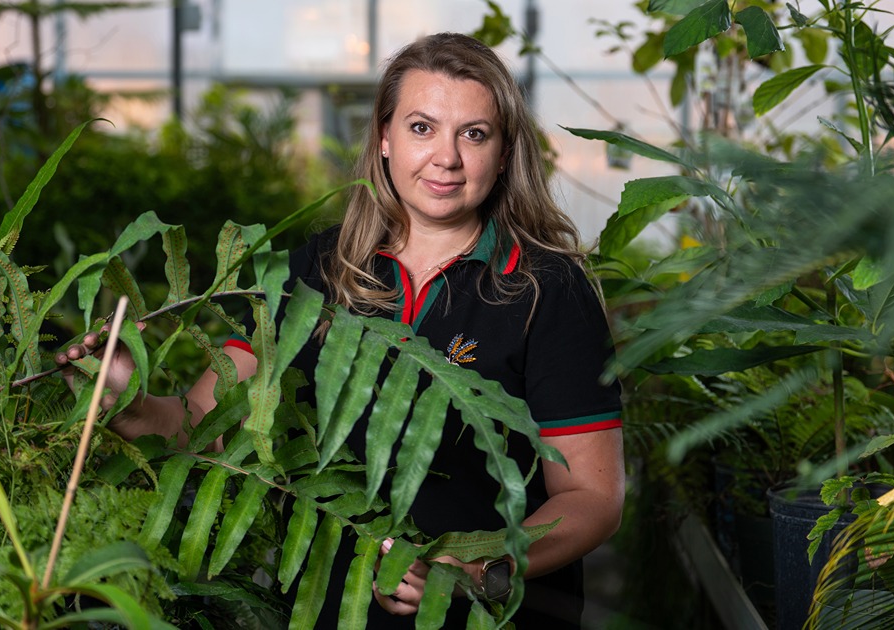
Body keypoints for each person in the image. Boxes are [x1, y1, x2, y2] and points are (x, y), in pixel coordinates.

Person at [58, 32, 624, 628]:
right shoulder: (315, 271)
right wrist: (127, 402)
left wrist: (474, 571)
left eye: (474, 134)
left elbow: (591, 499)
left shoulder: (546, 290)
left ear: (505, 153)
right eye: (422, 128)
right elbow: (208, 425)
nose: (447, 158)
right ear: (383, 138)